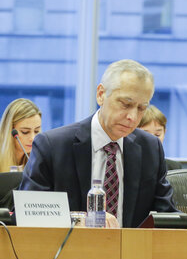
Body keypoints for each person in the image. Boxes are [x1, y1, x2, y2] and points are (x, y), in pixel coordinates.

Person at [19, 59, 176, 228]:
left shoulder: (150, 148)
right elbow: (26, 214)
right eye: (126, 104)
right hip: (71, 251)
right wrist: (81, 219)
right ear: (101, 94)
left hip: (132, 252)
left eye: (141, 108)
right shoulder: (53, 146)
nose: (132, 116)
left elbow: (165, 213)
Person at [0, 98, 42, 172]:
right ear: (9, 131)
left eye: (36, 131)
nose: (32, 138)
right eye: (25, 132)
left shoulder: (39, 161)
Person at [138, 105, 181, 170]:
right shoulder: (123, 165)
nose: (152, 140)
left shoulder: (174, 167)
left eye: (157, 135)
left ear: (164, 132)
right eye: (145, 134)